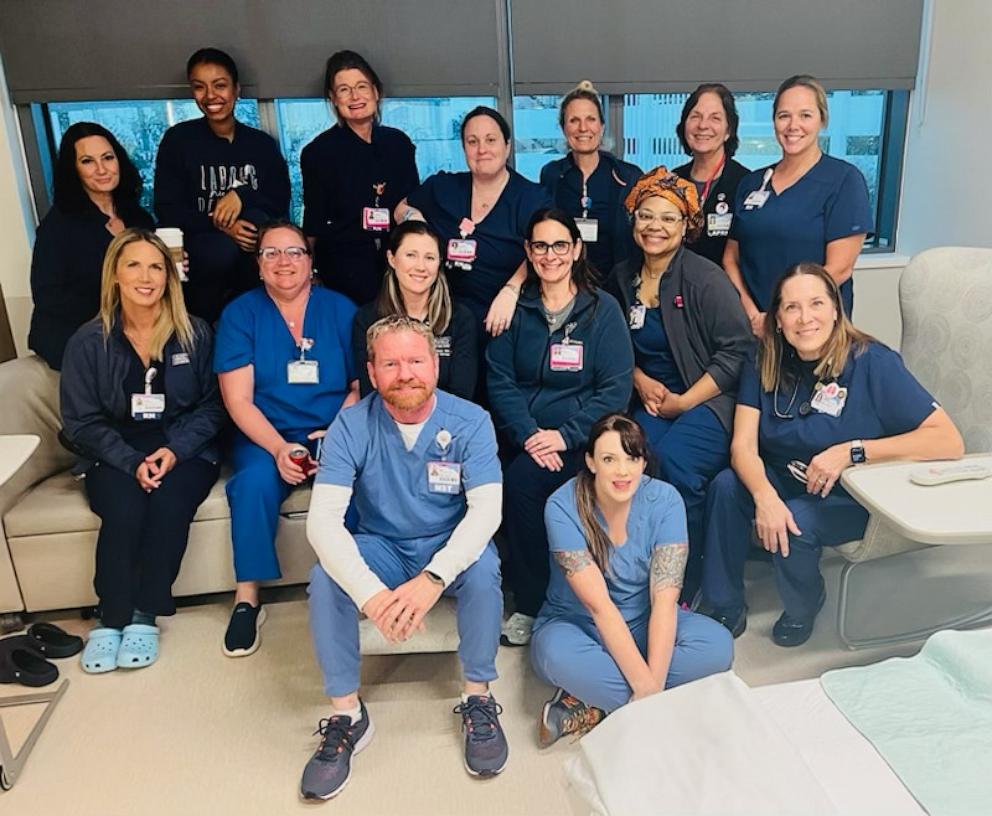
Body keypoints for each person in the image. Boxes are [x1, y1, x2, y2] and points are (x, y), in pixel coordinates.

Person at [699, 263, 964, 646]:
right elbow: (742, 445)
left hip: (851, 495)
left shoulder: (872, 362)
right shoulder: (764, 359)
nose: (805, 318)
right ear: (776, 320)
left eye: (816, 303)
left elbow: (947, 441)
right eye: (791, 308)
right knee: (726, 487)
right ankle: (724, 603)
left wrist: (853, 452)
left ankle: (803, 604)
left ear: (836, 310)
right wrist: (764, 497)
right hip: (786, 477)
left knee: (799, 521)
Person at [302, 316, 507, 800]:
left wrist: (433, 578)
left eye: (416, 360)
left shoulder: (471, 421)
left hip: (448, 540)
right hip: (384, 546)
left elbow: (486, 511)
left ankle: (477, 698)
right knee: (325, 577)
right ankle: (347, 715)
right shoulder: (351, 424)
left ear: (435, 365)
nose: (405, 372)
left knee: (484, 571)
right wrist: (372, 598)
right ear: (372, 373)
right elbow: (323, 522)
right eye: (390, 363)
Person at [60, 228, 223, 673]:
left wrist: (174, 451)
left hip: (184, 448)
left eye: (156, 266)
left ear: (169, 276)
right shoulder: (88, 342)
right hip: (114, 450)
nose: (146, 276)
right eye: (133, 265)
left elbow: (212, 407)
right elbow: (81, 422)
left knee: (170, 504)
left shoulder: (195, 334)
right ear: (115, 274)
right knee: (124, 510)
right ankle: (110, 617)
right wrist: (131, 462)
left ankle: (145, 612)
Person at [531, 414, 733, 744]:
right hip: (578, 625)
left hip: (644, 622)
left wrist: (647, 687)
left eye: (632, 458)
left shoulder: (665, 500)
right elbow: (599, 608)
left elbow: (665, 603)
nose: (622, 471)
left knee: (718, 647)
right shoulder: (561, 506)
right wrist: (652, 692)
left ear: (643, 462)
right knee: (554, 655)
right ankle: (659, 706)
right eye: (609, 459)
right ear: (591, 461)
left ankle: (593, 705)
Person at [605, 167, 754, 602]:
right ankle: (637, 568)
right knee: (631, 462)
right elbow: (612, 342)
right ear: (633, 221)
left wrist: (685, 400)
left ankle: (684, 580)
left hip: (711, 397)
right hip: (651, 398)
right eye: (646, 216)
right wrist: (637, 378)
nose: (655, 227)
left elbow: (738, 352)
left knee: (672, 462)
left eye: (668, 218)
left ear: (688, 225)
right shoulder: (622, 277)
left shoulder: (705, 278)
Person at [487, 208, 633, 646]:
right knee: (518, 484)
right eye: (541, 246)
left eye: (560, 245)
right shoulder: (515, 308)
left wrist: (566, 435)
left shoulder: (601, 309)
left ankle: (610, 597)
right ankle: (532, 603)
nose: (551, 255)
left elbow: (614, 389)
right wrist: (530, 434)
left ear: (576, 249)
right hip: (528, 437)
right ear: (529, 253)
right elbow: (501, 380)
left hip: (584, 437)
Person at [214, 221, 359, 657]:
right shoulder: (240, 315)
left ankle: (350, 585)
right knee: (252, 484)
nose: (284, 262)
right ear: (258, 266)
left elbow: (359, 386)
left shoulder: (340, 309)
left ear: (310, 262)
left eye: (294, 252)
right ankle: (247, 600)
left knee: (352, 483)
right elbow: (237, 400)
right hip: (264, 433)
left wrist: (336, 433)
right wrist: (279, 447)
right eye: (271, 253)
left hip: (334, 429)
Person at [723, 75, 872, 335]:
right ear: (774, 122)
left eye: (805, 115)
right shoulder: (752, 183)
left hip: (812, 329)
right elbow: (731, 258)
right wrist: (751, 314)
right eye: (784, 116)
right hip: (754, 327)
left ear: (822, 120)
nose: (793, 125)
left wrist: (783, 316)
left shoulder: (844, 180)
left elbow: (839, 268)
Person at [155, 47, 290, 323]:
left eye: (220, 85)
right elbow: (167, 209)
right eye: (199, 87)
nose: (210, 96)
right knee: (221, 250)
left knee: (256, 222)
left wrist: (242, 195)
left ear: (236, 89)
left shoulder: (260, 145)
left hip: (252, 272)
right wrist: (222, 223)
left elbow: (280, 200)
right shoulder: (179, 141)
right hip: (202, 269)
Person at [397, 106, 550, 338]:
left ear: (507, 146)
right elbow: (400, 209)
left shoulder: (532, 198)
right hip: (444, 317)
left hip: (504, 317)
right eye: (472, 141)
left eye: (491, 140)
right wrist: (418, 223)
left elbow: (545, 250)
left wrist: (512, 289)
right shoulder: (443, 187)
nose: (482, 150)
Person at [29, 122, 154, 370]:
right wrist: (116, 314)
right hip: (76, 336)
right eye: (87, 161)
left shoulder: (139, 218)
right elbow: (47, 296)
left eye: (107, 158)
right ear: (73, 170)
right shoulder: (57, 227)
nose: (101, 169)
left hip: (132, 330)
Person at [302, 50, 420, 305]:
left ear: (376, 92)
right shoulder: (318, 152)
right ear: (333, 99)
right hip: (343, 266)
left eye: (362, 87)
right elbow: (313, 220)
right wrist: (307, 271)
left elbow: (412, 202)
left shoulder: (398, 144)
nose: (355, 96)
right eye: (344, 89)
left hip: (396, 262)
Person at [352, 220, 477, 400]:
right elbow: (370, 393)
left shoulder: (459, 319)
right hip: (386, 422)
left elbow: (462, 396)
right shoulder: (368, 319)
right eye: (411, 255)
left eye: (430, 258)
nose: (421, 267)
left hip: (445, 423)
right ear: (392, 258)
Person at [539, 81, 642, 276]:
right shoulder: (551, 174)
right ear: (563, 128)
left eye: (591, 119)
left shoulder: (628, 176)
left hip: (618, 286)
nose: (583, 128)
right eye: (574, 120)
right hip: (564, 282)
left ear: (602, 126)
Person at [672, 83, 750, 267]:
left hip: (726, 291)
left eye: (715, 118)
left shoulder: (746, 184)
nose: (703, 125)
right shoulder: (672, 181)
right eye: (695, 116)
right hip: (674, 288)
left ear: (728, 130)